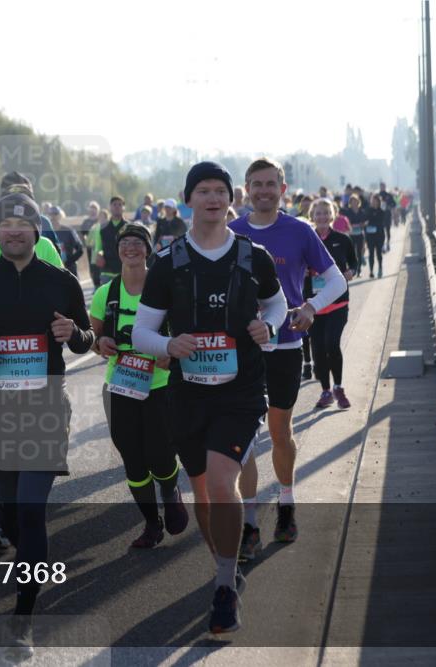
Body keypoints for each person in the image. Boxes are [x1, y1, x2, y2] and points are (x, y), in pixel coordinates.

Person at [132, 162, 287, 634]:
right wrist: (168, 346)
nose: (213, 198)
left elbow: (276, 303)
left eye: (220, 190)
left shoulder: (251, 255)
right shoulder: (168, 261)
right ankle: (223, 562)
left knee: (223, 484)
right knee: (201, 490)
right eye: (204, 191)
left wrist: (270, 326)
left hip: (240, 391)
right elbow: (142, 331)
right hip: (187, 394)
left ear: (230, 199)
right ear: (188, 199)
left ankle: (224, 587)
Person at [0, 190, 96, 659]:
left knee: (31, 512)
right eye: (5, 224)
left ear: (36, 230)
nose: (14, 231)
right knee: (11, 518)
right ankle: (20, 546)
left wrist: (74, 334)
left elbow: (86, 339)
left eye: (23, 223)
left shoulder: (61, 282)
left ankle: (23, 618)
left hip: (45, 406)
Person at [229, 158, 347, 553]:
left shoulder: (299, 231)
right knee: (243, 438)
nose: (263, 190)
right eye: (255, 184)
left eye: (270, 184)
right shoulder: (231, 233)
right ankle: (248, 520)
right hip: (240, 351)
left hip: (285, 347)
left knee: (280, 432)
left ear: (282, 188)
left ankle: (286, 503)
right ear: (245, 189)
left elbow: (336, 279)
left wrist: (312, 307)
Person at [88, 222, 188, 548]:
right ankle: (150, 523)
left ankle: (171, 493)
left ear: (149, 249)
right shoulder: (107, 293)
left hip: (159, 384)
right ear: (117, 250)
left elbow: (181, 330)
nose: (130, 248)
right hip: (120, 384)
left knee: (161, 452)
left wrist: (168, 353)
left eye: (137, 242)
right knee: (132, 456)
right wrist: (100, 342)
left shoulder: (163, 287)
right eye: (124, 243)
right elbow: (93, 336)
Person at [306, 198, 356, 409]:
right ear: (312, 216)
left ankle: (339, 387)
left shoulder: (342, 240)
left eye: (326, 212)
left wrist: (351, 272)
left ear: (333, 214)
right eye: (318, 213)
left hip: (337, 303)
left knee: (331, 344)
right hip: (313, 304)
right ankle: (325, 391)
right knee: (317, 348)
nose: (322, 216)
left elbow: (354, 262)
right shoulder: (307, 239)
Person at [94, 196, 131, 284]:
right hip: (107, 270)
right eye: (114, 204)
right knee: (108, 297)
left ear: (124, 208)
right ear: (110, 207)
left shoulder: (129, 226)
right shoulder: (102, 227)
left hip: (125, 270)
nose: (117, 206)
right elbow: (98, 248)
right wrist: (99, 254)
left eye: (120, 204)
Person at [48, 205, 84, 276]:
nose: (53, 216)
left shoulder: (68, 231)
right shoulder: (45, 233)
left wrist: (68, 262)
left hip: (68, 271)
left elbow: (80, 250)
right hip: (51, 271)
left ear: (60, 215)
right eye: (50, 214)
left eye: (55, 214)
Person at [342, 194, 367, 276]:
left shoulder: (362, 211)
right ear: (350, 203)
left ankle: (358, 270)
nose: (354, 203)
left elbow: (365, 222)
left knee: (359, 253)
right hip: (351, 235)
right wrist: (353, 225)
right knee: (352, 253)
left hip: (360, 234)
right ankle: (352, 268)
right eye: (352, 202)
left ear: (358, 202)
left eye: (355, 201)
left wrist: (362, 224)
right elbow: (346, 223)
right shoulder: (347, 212)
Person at [365, 193, 387, 278]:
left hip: (379, 235)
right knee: (371, 253)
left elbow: (381, 222)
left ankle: (380, 268)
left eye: (376, 201)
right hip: (370, 235)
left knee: (378, 253)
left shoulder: (381, 211)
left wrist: (370, 222)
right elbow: (365, 220)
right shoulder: (368, 210)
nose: (374, 203)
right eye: (372, 201)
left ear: (378, 202)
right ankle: (371, 271)